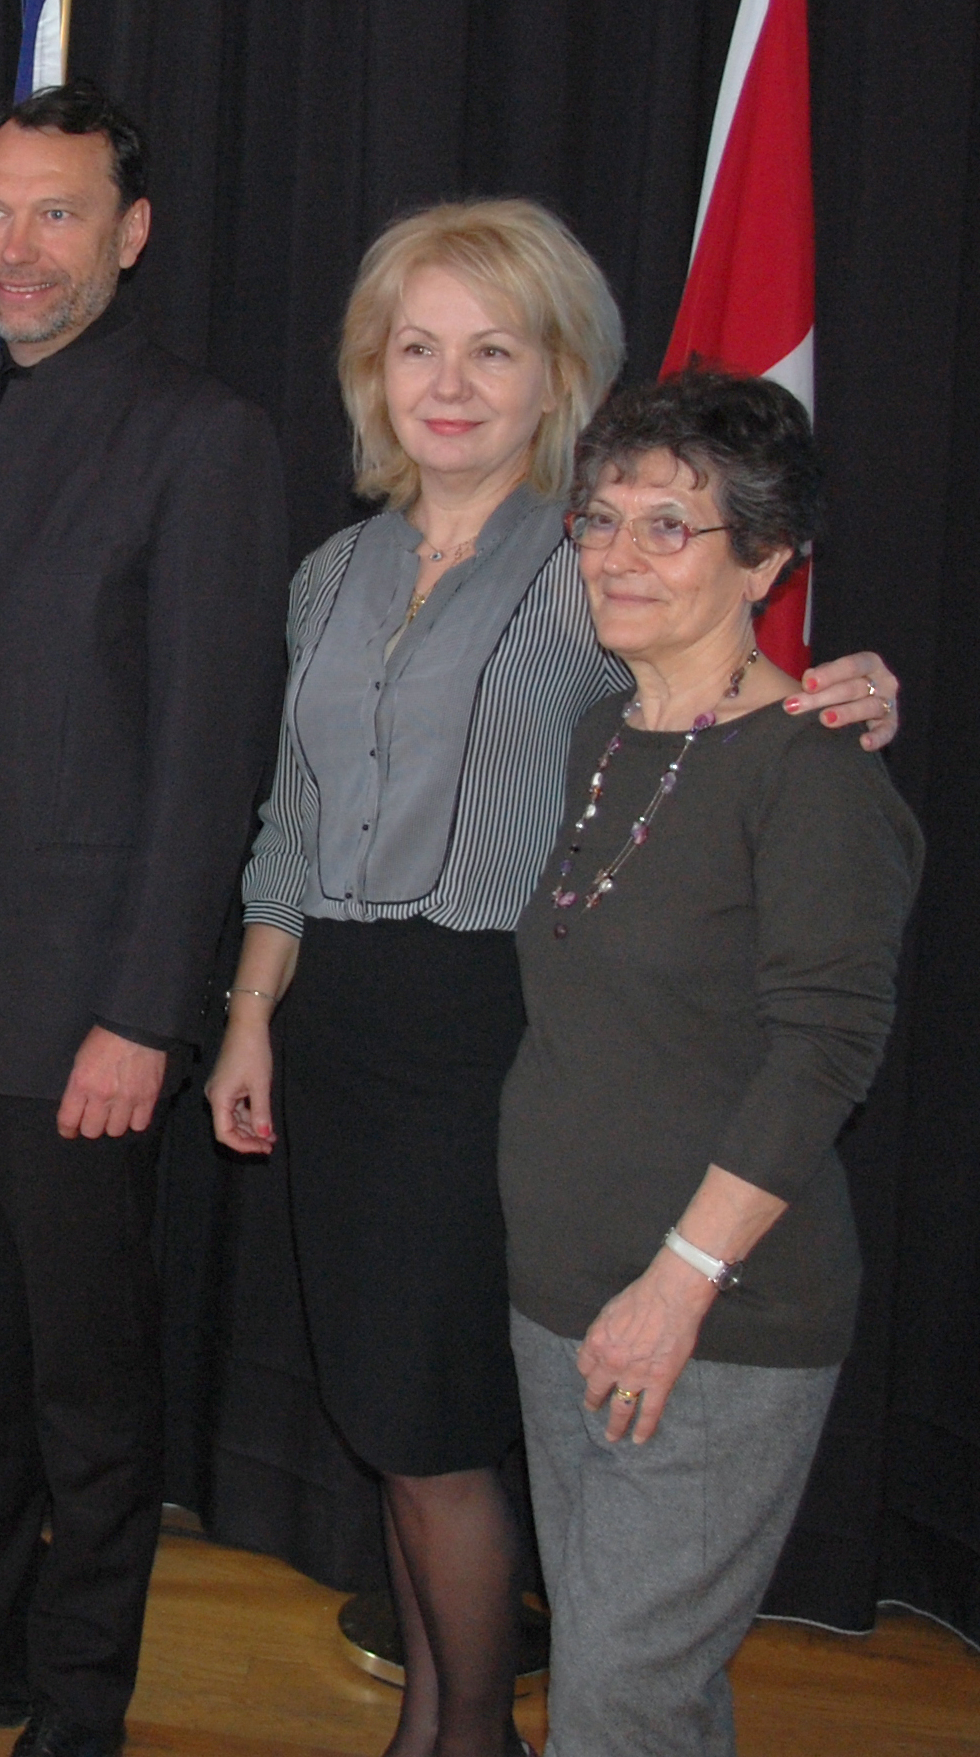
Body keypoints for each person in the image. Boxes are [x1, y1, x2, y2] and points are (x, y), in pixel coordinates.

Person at [201, 205, 906, 1757]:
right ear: (374, 372)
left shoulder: (593, 561)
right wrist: (251, 1011)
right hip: (335, 1033)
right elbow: (292, 819)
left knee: (435, 1428)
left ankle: (468, 1734)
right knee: (384, 1423)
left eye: (492, 350)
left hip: (489, 1045)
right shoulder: (331, 573)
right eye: (417, 348)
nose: (449, 385)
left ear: (557, 374)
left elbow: (716, 695)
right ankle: (435, 1724)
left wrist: (847, 693)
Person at [0, 85, 289, 1757]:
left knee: (91, 1394)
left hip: (84, 1014)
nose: (16, 247)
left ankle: (80, 1702)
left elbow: (210, 757)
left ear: (131, 234)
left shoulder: (205, 438)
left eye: (58, 212)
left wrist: (147, 1012)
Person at [500, 372, 918, 1756]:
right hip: (560, 1294)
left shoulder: (815, 773)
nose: (617, 554)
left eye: (669, 526)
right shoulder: (600, 736)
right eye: (601, 518)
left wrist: (679, 1288)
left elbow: (825, 1053)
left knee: (618, 1705)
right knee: (630, 1690)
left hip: (711, 1319)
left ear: (767, 559)